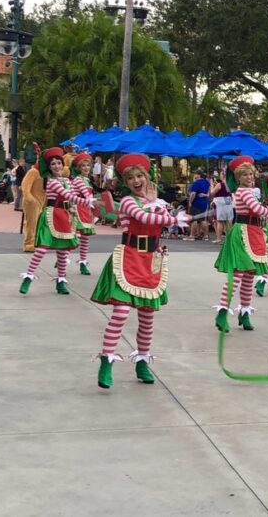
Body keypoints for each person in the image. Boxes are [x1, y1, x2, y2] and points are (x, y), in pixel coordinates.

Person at [90, 153, 175, 389]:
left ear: (148, 177)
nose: (136, 181)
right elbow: (142, 217)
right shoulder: (129, 201)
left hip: (151, 260)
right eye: (130, 178)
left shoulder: (158, 203)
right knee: (121, 313)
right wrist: (172, 217)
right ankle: (107, 362)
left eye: (140, 176)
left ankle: (142, 362)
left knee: (147, 318)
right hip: (129, 259)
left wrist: (170, 215)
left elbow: (164, 220)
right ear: (125, 183)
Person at [213, 156, 268, 332]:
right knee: (237, 275)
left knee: (249, 276)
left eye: (251, 174)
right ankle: (222, 312)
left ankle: (244, 313)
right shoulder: (244, 192)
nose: (249, 177)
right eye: (245, 175)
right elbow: (256, 209)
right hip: (243, 232)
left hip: (254, 232)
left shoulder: (249, 191)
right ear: (238, 178)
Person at [18, 147, 89, 295]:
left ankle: (61, 281)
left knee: (63, 252)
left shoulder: (67, 181)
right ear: (49, 167)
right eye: (53, 164)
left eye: (59, 163)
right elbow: (68, 195)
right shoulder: (51, 182)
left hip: (65, 216)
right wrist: (88, 202)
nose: (57, 166)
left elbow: (76, 191)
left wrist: (86, 196)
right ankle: (28, 278)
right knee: (42, 249)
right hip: (52, 215)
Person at [70, 153, 98, 275]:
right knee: (73, 236)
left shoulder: (87, 180)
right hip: (77, 209)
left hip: (86, 209)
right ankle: (63, 257)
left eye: (88, 165)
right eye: (83, 166)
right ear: (79, 168)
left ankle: (83, 262)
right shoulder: (78, 179)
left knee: (85, 238)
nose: (86, 168)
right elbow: (87, 195)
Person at [210, 171, 233, 243]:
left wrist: (211, 186)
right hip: (228, 202)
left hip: (221, 203)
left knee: (220, 221)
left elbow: (212, 193)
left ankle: (219, 238)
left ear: (223, 175)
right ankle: (229, 239)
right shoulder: (230, 184)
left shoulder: (220, 184)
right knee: (229, 221)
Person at [187, 170, 210, 241]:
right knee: (203, 219)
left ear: (199, 175)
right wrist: (205, 195)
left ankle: (192, 235)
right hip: (204, 203)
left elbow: (193, 193)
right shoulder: (207, 182)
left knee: (194, 219)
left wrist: (190, 202)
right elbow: (210, 193)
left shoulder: (196, 183)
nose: (194, 175)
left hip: (196, 202)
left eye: (195, 174)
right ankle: (206, 236)